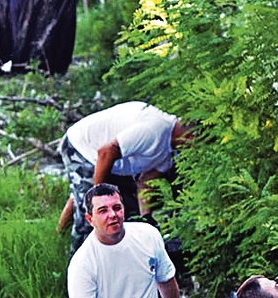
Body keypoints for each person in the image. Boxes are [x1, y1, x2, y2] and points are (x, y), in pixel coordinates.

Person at [58, 100, 192, 247]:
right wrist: (98, 198)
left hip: (114, 162)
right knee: (92, 216)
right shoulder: (154, 130)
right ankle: (76, 263)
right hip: (83, 147)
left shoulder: (169, 151)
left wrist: (146, 218)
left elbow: (146, 183)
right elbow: (106, 152)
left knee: (127, 214)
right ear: (190, 135)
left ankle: (58, 237)